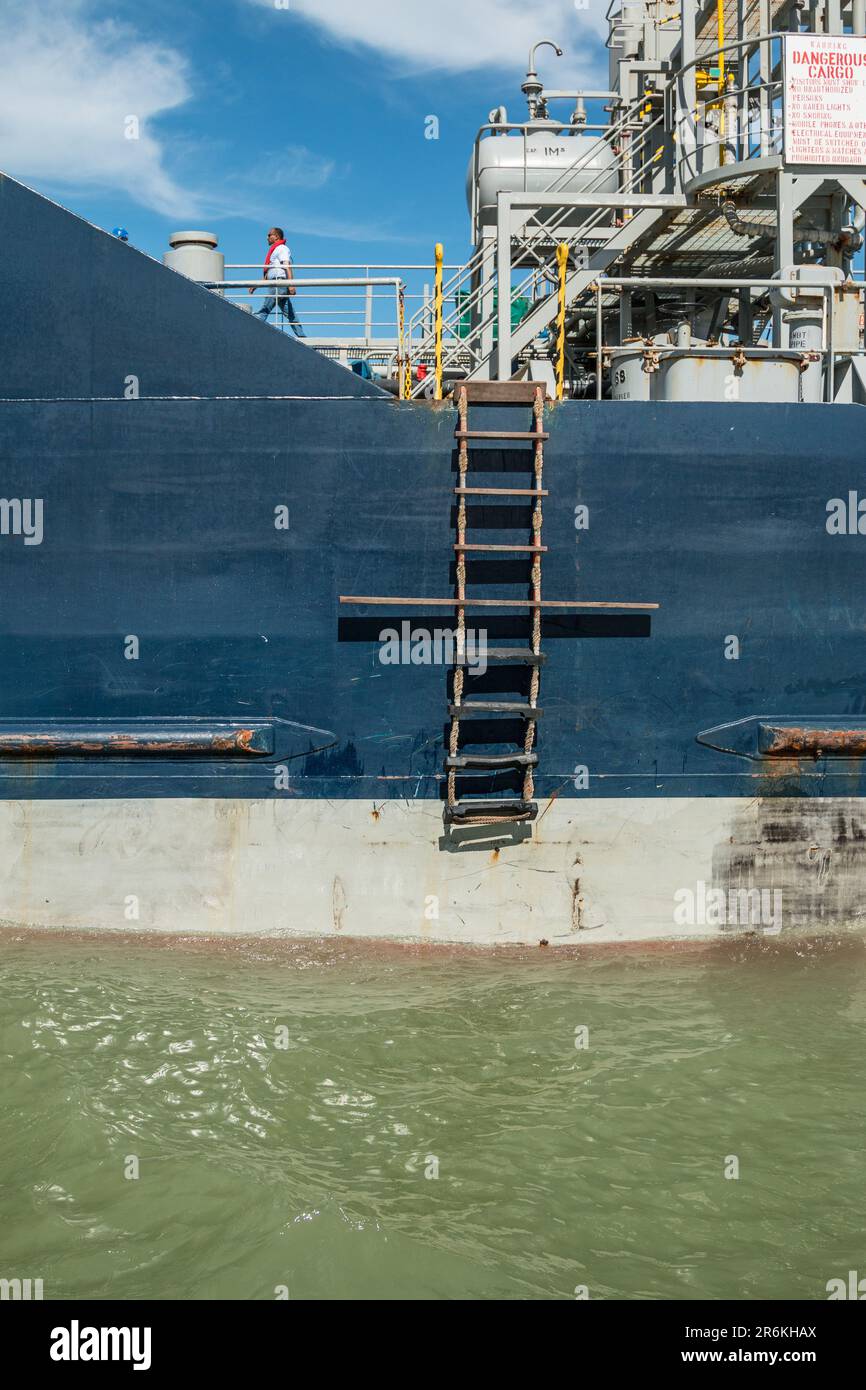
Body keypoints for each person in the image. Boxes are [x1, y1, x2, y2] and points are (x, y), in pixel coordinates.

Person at [249, 227, 304, 336]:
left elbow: (286, 266)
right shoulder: (275, 250)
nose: (267, 237)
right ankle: (303, 337)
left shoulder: (282, 248)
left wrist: (291, 285)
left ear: (277, 236)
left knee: (265, 309)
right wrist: (255, 286)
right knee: (290, 313)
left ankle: (251, 331)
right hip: (275, 284)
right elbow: (270, 272)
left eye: (269, 235)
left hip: (279, 284)